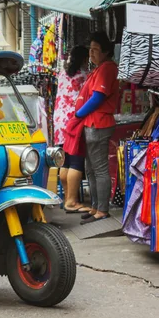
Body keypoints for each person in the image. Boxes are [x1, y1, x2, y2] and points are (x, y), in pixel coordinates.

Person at [76, 32, 120, 224]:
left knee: (99, 168)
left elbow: (98, 97)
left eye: (95, 50)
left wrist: (79, 113)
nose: (91, 53)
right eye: (90, 49)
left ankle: (102, 209)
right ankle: (95, 206)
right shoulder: (99, 68)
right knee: (91, 168)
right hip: (91, 123)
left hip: (98, 123)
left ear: (105, 52)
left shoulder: (107, 68)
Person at [53, 46, 89, 214]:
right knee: (76, 160)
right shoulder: (84, 76)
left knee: (65, 160)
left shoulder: (62, 74)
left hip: (59, 120)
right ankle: (72, 202)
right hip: (73, 120)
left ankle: (68, 197)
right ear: (84, 59)